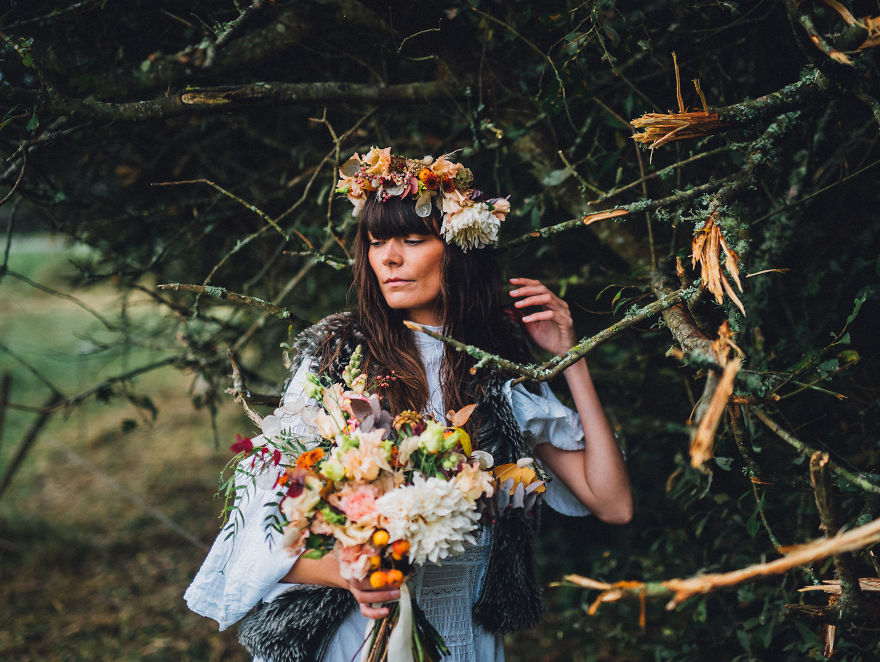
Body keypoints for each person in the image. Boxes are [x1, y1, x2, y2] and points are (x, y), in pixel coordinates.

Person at [185, 148, 632, 662]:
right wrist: (344, 570)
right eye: (377, 243)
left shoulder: (495, 365)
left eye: (413, 240)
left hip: (462, 627)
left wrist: (570, 358)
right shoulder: (339, 355)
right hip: (354, 627)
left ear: (459, 248)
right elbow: (265, 515)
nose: (389, 258)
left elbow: (612, 502)